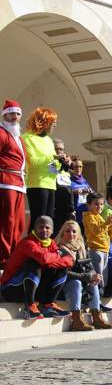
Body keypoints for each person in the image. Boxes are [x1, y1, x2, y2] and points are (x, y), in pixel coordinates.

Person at [1, 216, 73, 319]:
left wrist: (48, 262)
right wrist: (58, 255)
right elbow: (43, 258)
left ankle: (49, 306)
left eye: (47, 228)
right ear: (34, 229)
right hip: (11, 289)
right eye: (41, 227)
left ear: (52, 231)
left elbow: (69, 261)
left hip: (34, 288)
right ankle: (29, 307)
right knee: (34, 264)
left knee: (62, 269)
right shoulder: (27, 243)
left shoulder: (51, 243)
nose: (44, 230)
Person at [52, 220, 112, 331]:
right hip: (62, 286)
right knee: (77, 283)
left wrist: (93, 276)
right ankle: (76, 319)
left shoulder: (82, 246)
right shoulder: (59, 248)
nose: (71, 234)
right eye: (67, 231)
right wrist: (87, 277)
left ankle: (97, 316)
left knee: (92, 283)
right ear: (62, 233)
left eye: (74, 231)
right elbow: (64, 273)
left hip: (81, 283)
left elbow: (90, 267)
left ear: (78, 233)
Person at [22, 107, 69, 229]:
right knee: (39, 219)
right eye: (53, 122)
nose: (55, 125)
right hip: (37, 183)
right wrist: (53, 157)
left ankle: (44, 246)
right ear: (44, 122)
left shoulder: (48, 140)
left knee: (48, 220)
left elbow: (52, 164)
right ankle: (32, 245)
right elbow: (32, 162)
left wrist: (62, 163)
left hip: (51, 184)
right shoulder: (27, 138)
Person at [0, 100, 28, 268]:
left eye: (18, 114)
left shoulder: (16, 136)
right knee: (7, 220)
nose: (15, 117)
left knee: (19, 222)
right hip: (5, 181)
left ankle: (13, 254)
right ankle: (3, 257)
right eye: (11, 114)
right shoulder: (2, 133)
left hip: (18, 182)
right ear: (4, 115)